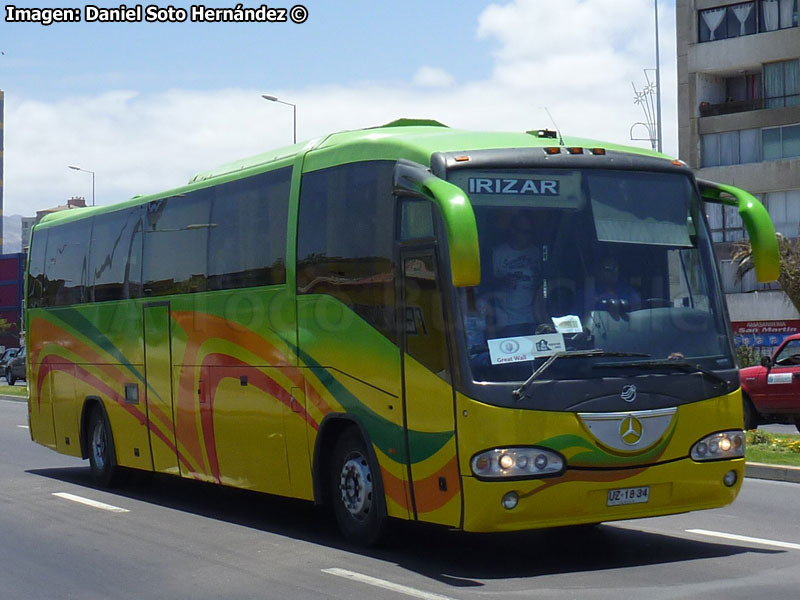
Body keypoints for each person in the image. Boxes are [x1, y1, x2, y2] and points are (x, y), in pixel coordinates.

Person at [491, 212, 542, 332]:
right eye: (523, 232)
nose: (527, 236)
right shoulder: (497, 253)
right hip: (507, 319)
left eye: (530, 232)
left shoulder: (537, 252)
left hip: (534, 317)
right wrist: (503, 282)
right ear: (513, 231)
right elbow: (485, 285)